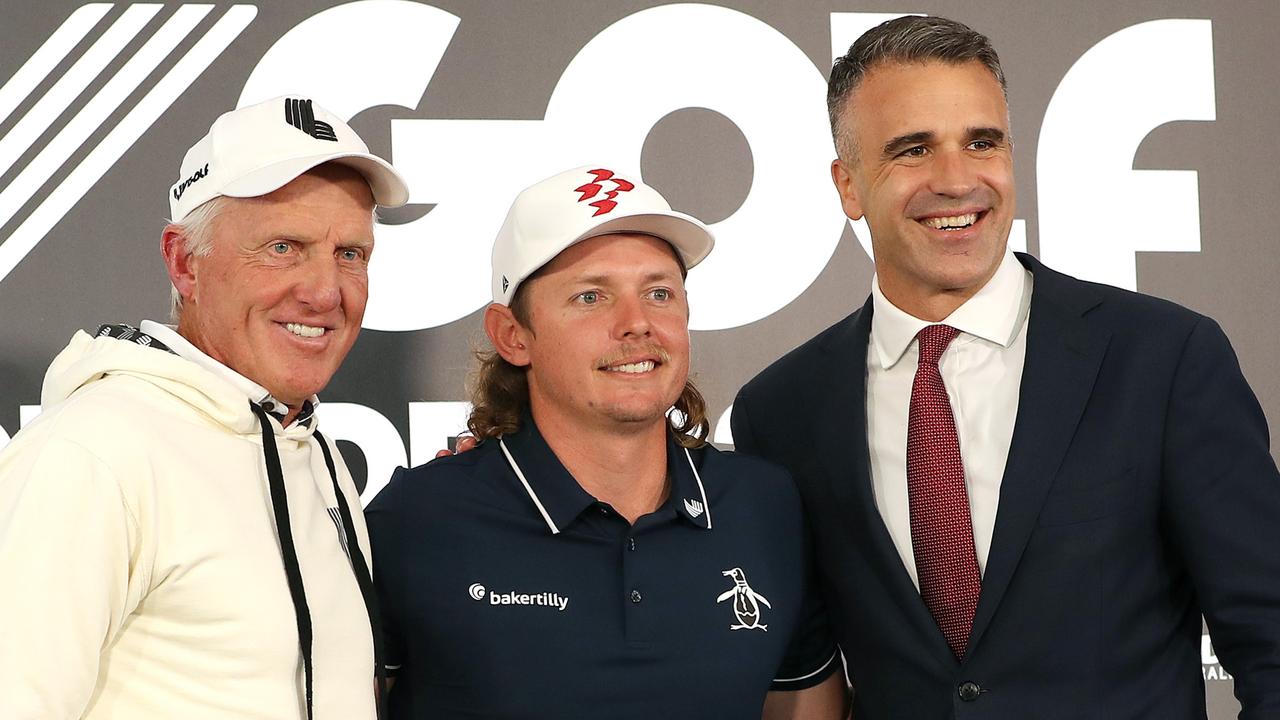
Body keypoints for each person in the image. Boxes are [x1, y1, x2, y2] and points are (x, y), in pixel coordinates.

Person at [732, 15, 1280, 718]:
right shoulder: (782, 409)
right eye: (912, 150)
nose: (957, 180)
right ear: (848, 186)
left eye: (981, 142)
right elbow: (805, 672)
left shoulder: (1163, 359)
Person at [365, 166, 846, 719]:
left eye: (659, 292)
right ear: (513, 335)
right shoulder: (417, 518)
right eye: (591, 296)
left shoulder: (765, 505)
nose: (636, 323)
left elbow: (806, 705)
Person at [0, 96, 409, 720]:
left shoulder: (309, 448)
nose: (325, 291)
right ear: (184, 261)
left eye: (350, 254)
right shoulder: (92, 452)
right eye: (283, 247)